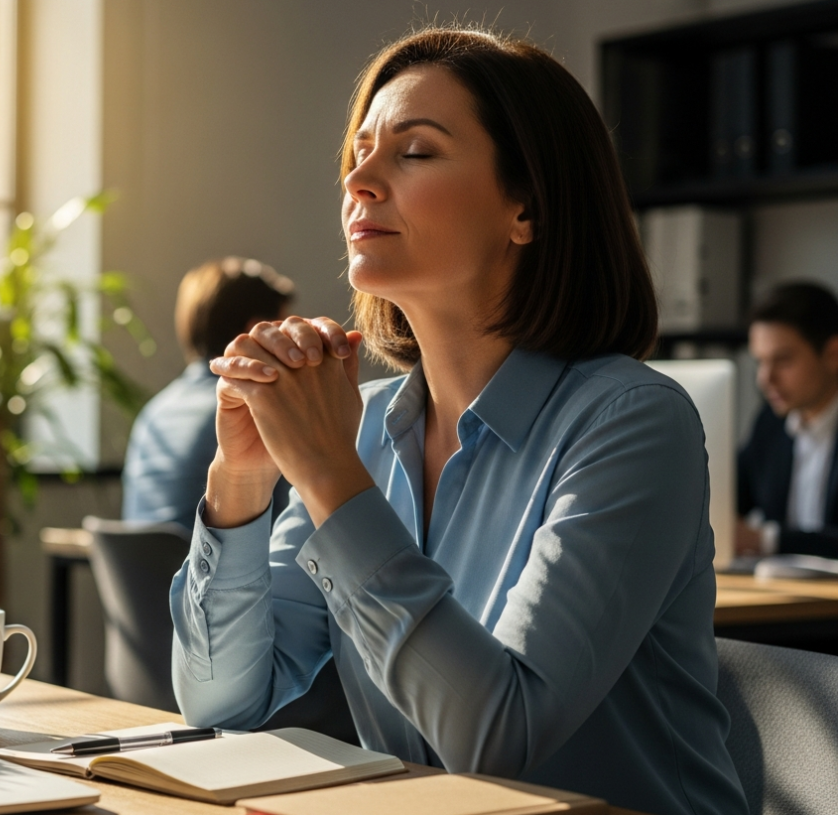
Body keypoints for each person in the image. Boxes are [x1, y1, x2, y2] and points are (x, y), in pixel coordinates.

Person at [168, 28, 747, 815]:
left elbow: (496, 738)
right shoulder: (364, 426)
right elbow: (221, 702)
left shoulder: (631, 420)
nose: (360, 180)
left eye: (415, 152)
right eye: (360, 152)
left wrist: (328, 473)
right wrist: (242, 477)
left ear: (527, 208)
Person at [122, 257, 294, 529]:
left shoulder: (155, 411)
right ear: (256, 331)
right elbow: (292, 527)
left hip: (142, 571)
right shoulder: (248, 410)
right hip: (215, 567)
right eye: (282, 328)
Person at [737, 282, 838, 558]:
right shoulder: (770, 423)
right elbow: (731, 496)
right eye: (760, 362)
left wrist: (766, 539)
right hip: (786, 591)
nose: (765, 379)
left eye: (782, 361)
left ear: (833, 354)